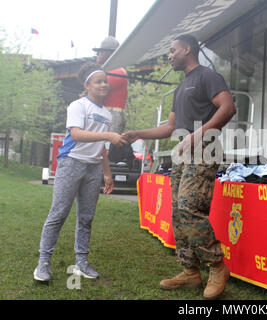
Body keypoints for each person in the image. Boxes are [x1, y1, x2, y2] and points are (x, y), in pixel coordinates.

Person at [123, 34, 236, 299]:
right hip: (182, 154)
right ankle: (190, 272)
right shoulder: (180, 88)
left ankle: (217, 265)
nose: (170, 56)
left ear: (188, 49)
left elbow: (228, 107)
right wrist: (138, 133)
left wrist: (198, 135)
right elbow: (170, 127)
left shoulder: (208, 76)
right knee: (178, 212)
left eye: (172, 50)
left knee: (188, 206)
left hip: (204, 150)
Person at [33, 63, 128, 282]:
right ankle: (43, 263)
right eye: (98, 81)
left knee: (86, 218)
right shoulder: (78, 105)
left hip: (93, 168)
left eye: (106, 81)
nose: (104, 84)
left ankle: (82, 261)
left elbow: (101, 149)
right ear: (87, 85)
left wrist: (107, 173)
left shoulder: (106, 114)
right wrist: (108, 136)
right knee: (58, 214)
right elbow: (76, 134)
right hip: (71, 163)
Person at [93, 36, 128, 133]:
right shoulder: (110, 71)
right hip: (108, 113)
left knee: (108, 143)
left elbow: (96, 92)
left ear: (109, 53)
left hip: (112, 115)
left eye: (100, 52)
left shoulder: (117, 71)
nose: (98, 55)